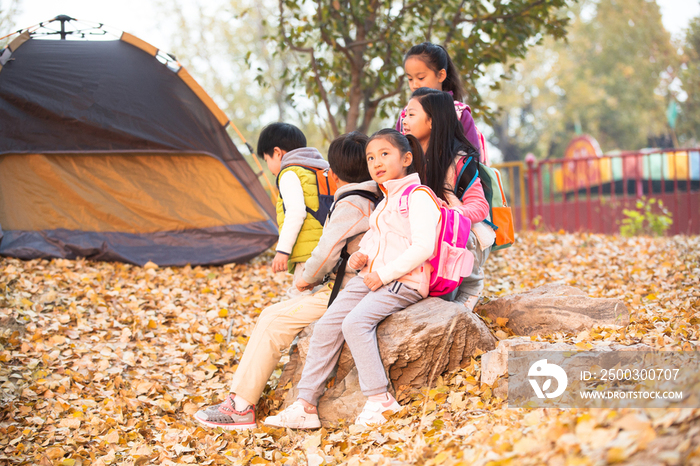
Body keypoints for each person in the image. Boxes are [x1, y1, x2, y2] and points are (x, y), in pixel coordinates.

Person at [193, 132, 380, 430]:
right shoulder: (373, 197)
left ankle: (240, 408)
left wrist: (307, 279)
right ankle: (240, 400)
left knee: (272, 321)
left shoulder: (352, 203)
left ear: (335, 173)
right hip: (353, 287)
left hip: (345, 292)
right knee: (272, 314)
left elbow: (324, 254)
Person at [263, 129, 441, 429]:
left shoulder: (418, 196)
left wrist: (382, 274)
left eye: (385, 154)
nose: (377, 162)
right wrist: (364, 257)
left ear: (406, 158)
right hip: (375, 276)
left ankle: (380, 400)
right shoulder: (383, 201)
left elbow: (424, 247)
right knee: (328, 322)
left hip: (405, 282)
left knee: (354, 323)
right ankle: (305, 405)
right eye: (371, 157)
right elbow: (376, 240)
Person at [402, 88, 495, 311]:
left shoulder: (458, 161)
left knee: (452, 229)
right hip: (424, 236)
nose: (404, 120)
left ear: (432, 121)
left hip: (459, 235)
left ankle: (472, 287)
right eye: (404, 114)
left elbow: (480, 206)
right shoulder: (405, 159)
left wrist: (450, 214)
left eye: (411, 115)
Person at [256, 122, 329, 292]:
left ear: (277, 152)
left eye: (267, 160)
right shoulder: (317, 170)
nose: (269, 167)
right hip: (328, 250)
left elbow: (296, 212)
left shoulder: (289, 173)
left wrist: (282, 250)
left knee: (301, 302)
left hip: (307, 256)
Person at [396, 42, 490, 165]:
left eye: (421, 78)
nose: (414, 85)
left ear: (441, 75)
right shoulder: (405, 115)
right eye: (410, 79)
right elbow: (398, 152)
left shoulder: (459, 113)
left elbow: (473, 158)